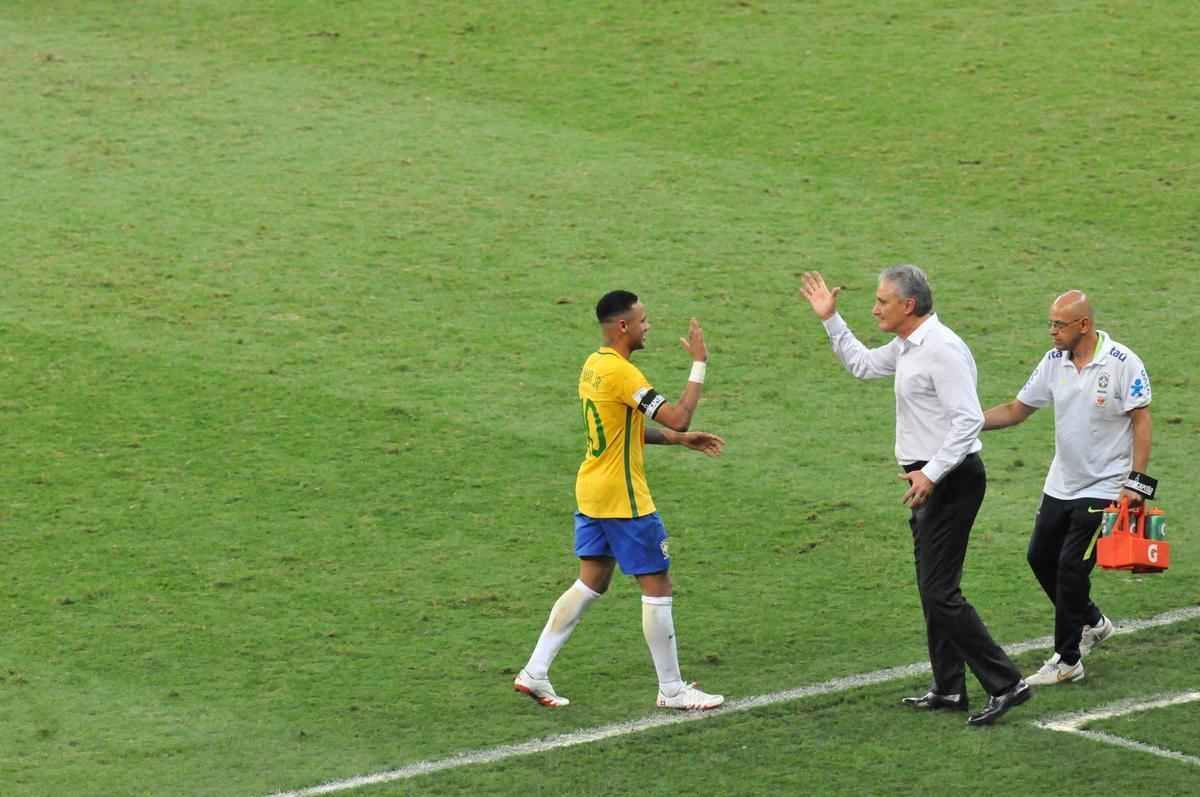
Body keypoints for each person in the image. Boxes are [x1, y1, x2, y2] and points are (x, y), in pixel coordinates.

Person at [800, 266, 1029, 727]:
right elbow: (863, 365)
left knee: (940, 591)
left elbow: (968, 421)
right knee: (933, 589)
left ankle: (1006, 683)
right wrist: (830, 319)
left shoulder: (941, 350)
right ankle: (948, 687)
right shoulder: (909, 345)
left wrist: (931, 474)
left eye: (882, 301)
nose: (874, 308)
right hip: (929, 480)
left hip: (951, 480)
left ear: (908, 305)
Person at [514, 290, 726, 711]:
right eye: (643, 320)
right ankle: (672, 689)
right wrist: (699, 363)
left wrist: (678, 441)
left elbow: (623, 429)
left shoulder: (594, 366)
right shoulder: (626, 375)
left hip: (591, 490)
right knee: (657, 582)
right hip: (622, 498)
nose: (648, 326)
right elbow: (679, 414)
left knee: (591, 580)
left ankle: (535, 671)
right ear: (623, 326)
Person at [982, 290, 1153, 685]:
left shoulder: (1122, 363)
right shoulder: (1054, 362)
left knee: (1070, 567)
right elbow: (1016, 410)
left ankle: (1067, 660)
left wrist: (1137, 484)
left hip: (1107, 484)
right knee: (1039, 556)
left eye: (1059, 324)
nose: (1052, 332)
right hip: (1063, 481)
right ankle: (1092, 621)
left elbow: (1141, 421)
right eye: (1051, 323)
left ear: (1084, 325)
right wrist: (967, 422)